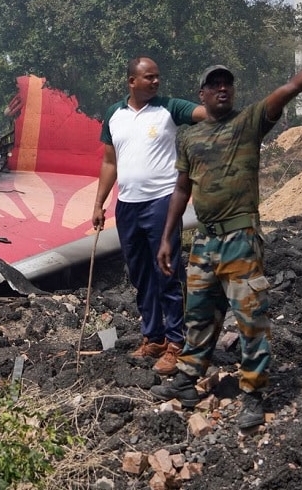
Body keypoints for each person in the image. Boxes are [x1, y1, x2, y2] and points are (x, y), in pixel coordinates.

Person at [151, 25, 302, 430]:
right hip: (204, 240)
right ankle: (186, 378)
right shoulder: (190, 137)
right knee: (198, 313)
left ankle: (253, 393)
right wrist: (168, 238)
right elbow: (181, 188)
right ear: (200, 94)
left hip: (240, 239)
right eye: (213, 85)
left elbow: (290, 87)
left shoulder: (249, 122)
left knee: (250, 318)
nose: (222, 90)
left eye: (227, 84)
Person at [92, 56, 207, 375]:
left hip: (162, 202)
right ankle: (153, 337)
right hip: (127, 205)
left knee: (167, 272)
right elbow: (109, 162)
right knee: (140, 274)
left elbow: (202, 113)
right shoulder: (114, 115)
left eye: (158, 77)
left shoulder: (169, 107)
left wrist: (217, 105)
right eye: (149, 78)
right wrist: (99, 203)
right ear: (132, 81)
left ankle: (176, 342)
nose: (156, 82)